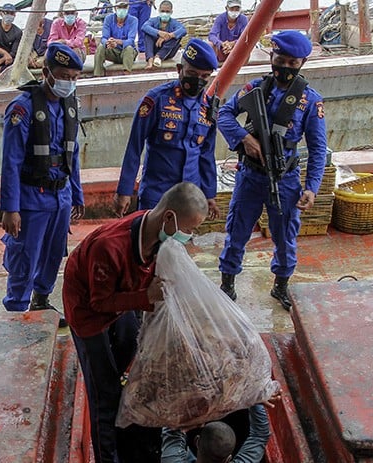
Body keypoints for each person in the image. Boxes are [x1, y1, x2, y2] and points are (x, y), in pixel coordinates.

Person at [63, 182, 209, 463]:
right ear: (169, 218)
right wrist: (146, 296)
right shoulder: (109, 247)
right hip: (88, 312)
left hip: (124, 298)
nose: (189, 237)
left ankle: (128, 432)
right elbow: (98, 303)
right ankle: (107, 455)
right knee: (104, 392)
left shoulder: (158, 236)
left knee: (132, 358)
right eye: (189, 229)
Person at [216, 30, 327, 311]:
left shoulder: (310, 100)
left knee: (285, 235)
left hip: (285, 178)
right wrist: (245, 138)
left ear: (302, 63)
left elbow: (318, 148)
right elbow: (224, 114)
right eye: (281, 60)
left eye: (293, 63)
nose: (285, 67)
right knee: (237, 230)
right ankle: (227, 283)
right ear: (271, 56)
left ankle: (281, 286)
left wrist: (312, 188)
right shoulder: (255, 88)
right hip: (250, 175)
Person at [0, 43, 85, 328]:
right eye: (64, 76)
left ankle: (41, 301)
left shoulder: (69, 105)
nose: (69, 83)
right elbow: (11, 161)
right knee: (25, 256)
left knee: (53, 253)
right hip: (31, 199)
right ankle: (16, 310)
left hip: (61, 196)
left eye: (74, 78)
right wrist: (10, 209)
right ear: (46, 72)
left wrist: (77, 194)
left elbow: (72, 154)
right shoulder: (22, 108)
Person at [114, 39, 220, 221]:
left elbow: (207, 154)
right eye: (192, 73)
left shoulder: (208, 108)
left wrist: (209, 193)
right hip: (156, 193)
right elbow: (134, 147)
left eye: (205, 76)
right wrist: (124, 190)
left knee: (183, 237)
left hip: (190, 196)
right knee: (149, 237)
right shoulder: (156, 100)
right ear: (180, 69)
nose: (198, 80)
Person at [160, 391, 281, 463]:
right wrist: (255, 396)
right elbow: (259, 436)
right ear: (228, 459)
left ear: (197, 441)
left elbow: (171, 428)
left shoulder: (171, 460)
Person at [93, 0, 138, 77]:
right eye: (119, 7)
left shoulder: (133, 20)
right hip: (113, 50)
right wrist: (108, 42)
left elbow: (131, 40)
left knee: (129, 48)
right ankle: (98, 75)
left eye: (124, 7)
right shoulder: (108, 18)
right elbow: (104, 38)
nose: (122, 10)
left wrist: (117, 42)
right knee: (100, 47)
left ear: (128, 8)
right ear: (115, 8)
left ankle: (127, 75)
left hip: (127, 52)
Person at [141, 0, 186, 69]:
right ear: (159, 10)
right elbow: (144, 27)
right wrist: (159, 33)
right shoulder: (154, 20)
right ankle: (150, 59)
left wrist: (168, 36)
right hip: (154, 48)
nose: (165, 13)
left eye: (167, 12)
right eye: (162, 11)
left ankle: (158, 56)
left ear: (171, 12)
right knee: (148, 34)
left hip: (167, 51)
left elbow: (183, 30)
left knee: (176, 37)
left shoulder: (174, 23)